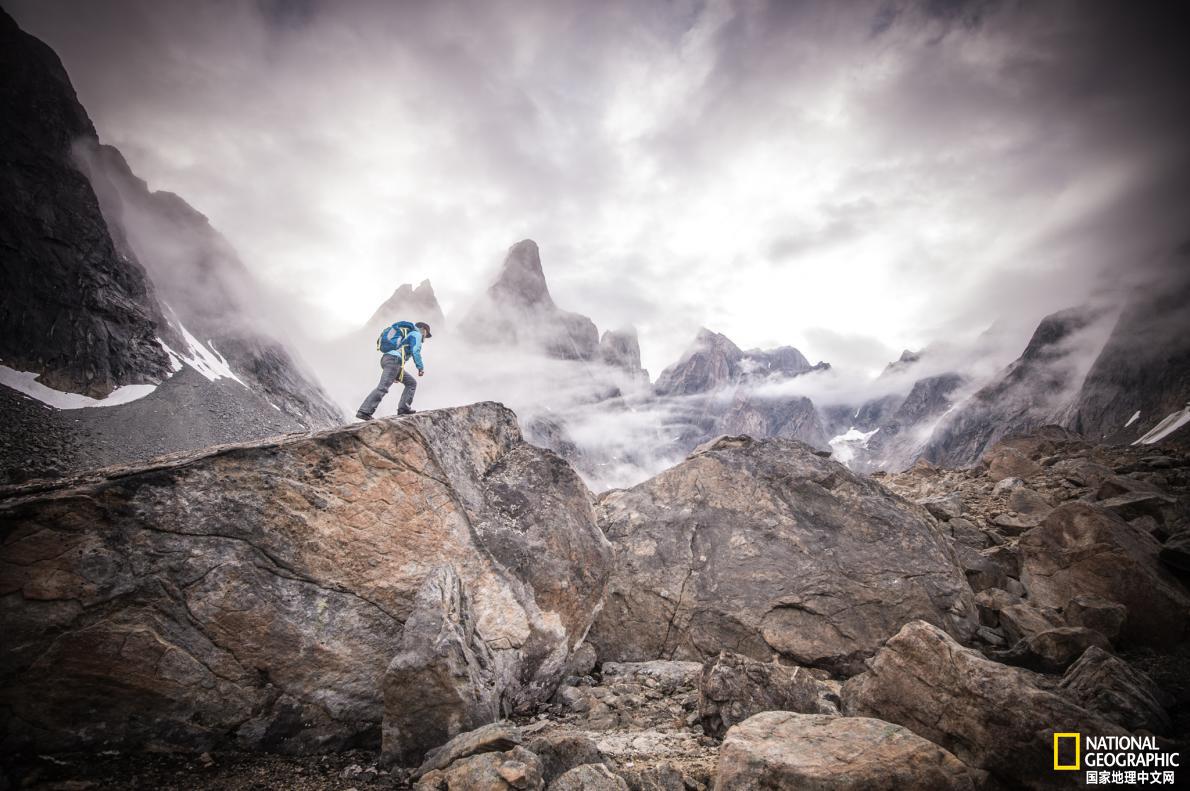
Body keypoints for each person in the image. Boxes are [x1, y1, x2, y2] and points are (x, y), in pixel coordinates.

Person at [356, 321, 432, 420]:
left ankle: (403, 408)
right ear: (423, 330)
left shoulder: (408, 334)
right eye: (426, 333)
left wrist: (397, 373)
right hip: (393, 361)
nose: (425, 337)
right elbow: (415, 351)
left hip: (390, 360)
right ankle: (364, 411)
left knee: (411, 383)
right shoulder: (416, 334)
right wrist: (420, 367)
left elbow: (402, 352)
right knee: (383, 387)